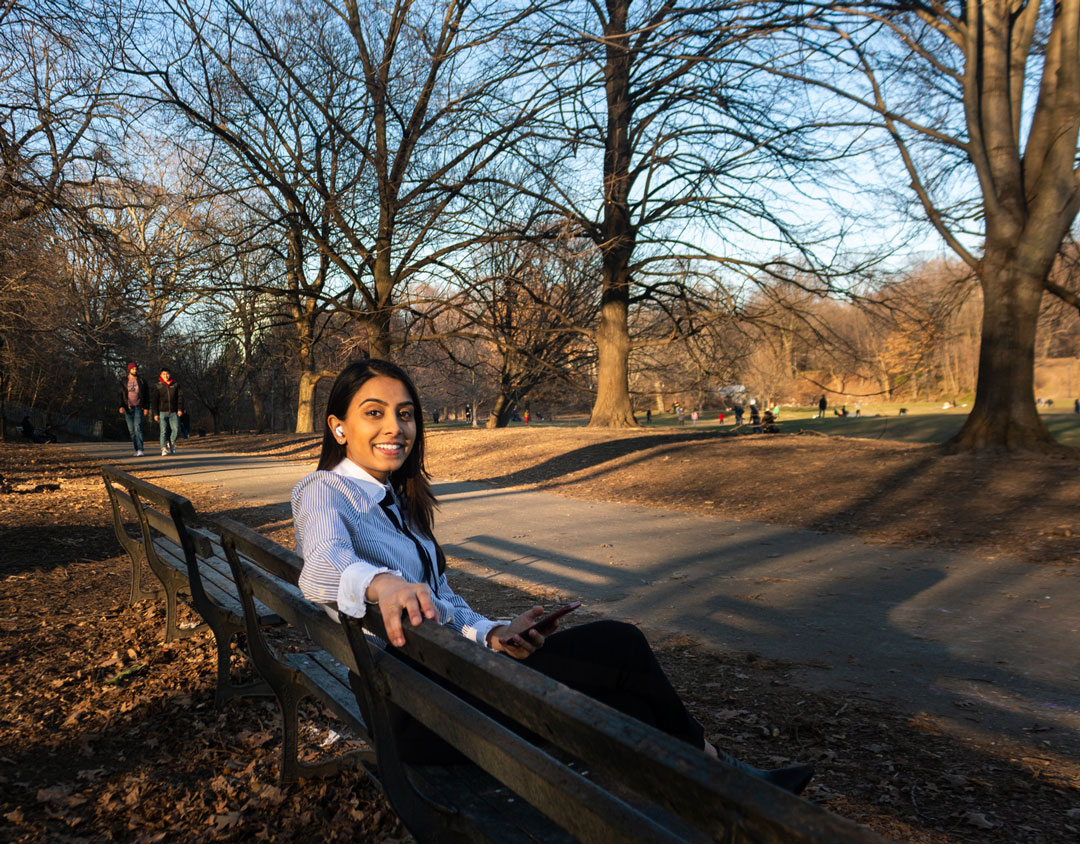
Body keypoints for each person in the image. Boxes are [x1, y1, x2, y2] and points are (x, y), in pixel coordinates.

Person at [291, 359, 813, 794]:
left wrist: (493, 633)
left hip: (444, 680)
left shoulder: (401, 503)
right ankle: (734, 785)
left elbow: (444, 600)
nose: (395, 427)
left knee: (628, 702)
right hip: (414, 711)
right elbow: (319, 568)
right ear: (339, 427)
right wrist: (382, 584)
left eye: (405, 414)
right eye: (374, 413)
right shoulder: (323, 491)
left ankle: (720, 796)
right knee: (621, 643)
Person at [151, 365, 184, 456]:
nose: (166, 376)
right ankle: (164, 448)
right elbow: (154, 401)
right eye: (164, 374)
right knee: (163, 431)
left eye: (167, 374)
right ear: (161, 375)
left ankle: (172, 442)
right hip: (162, 412)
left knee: (176, 429)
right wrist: (155, 414)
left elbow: (180, 398)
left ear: (170, 374)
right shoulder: (158, 386)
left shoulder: (176, 385)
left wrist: (180, 409)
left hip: (174, 412)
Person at [118, 362, 149, 456]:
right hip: (128, 408)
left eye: (136, 369)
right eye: (133, 369)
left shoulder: (142, 380)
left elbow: (147, 395)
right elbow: (120, 394)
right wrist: (121, 406)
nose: (135, 370)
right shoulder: (123, 381)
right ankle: (136, 449)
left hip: (139, 407)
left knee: (137, 428)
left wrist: (146, 407)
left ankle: (140, 449)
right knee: (131, 430)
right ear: (129, 370)